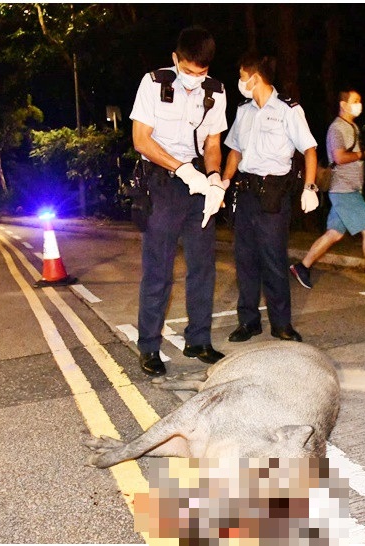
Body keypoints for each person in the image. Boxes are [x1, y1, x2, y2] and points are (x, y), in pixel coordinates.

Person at [129, 26, 229, 376]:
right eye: (188, 71)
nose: (193, 79)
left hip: (198, 185)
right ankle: (149, 347)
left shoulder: (216, 92)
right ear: (176, 59)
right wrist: (181, 168)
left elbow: (213, 143)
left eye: (200, 73)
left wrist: (214, 178)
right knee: (158, 269)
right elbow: (141, 140)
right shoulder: (154, 83)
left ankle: (199, 340)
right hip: (162, 184)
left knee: (203, 267)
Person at [221, 53, 319, 343]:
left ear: (255, 78)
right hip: (246, 191)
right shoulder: (244, 111)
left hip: (274, 192)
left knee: (274, 260)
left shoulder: (288, 110)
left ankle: (281, 324)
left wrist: (310, 187)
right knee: (245, 260)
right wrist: (224, 183)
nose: (240, 82)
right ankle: (248, 321)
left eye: (241, 76)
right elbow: (235, 150)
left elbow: (309, 149)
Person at [290, 89, 365, 292]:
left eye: (360, 100)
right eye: (355, 101)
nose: (359, 104)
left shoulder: (351, 126)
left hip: (347, 189)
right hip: (345, 190)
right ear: (343, 105)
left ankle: (302, 267)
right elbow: (339, 157)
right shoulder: (337, 128)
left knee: (334, 234)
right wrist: (364, 154)